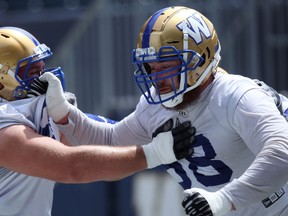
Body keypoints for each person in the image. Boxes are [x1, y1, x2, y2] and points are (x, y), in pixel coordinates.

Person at [41, 6, 288, 216]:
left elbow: (282, 152)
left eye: (167, 66)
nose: (156, 77)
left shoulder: (235, 95)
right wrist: (64, 113)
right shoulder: (154, 105)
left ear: (199, 60)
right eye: (151, 67)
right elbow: (111, 141)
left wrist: (223, 198)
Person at [0, 26, 196, 216]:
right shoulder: (5, 122)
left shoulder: (32, 113)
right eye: (33, 73)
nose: (46, 78)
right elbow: (74, 167)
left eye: (43, 69)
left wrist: (65, 117)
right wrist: (155, 153)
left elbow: (108, 144)